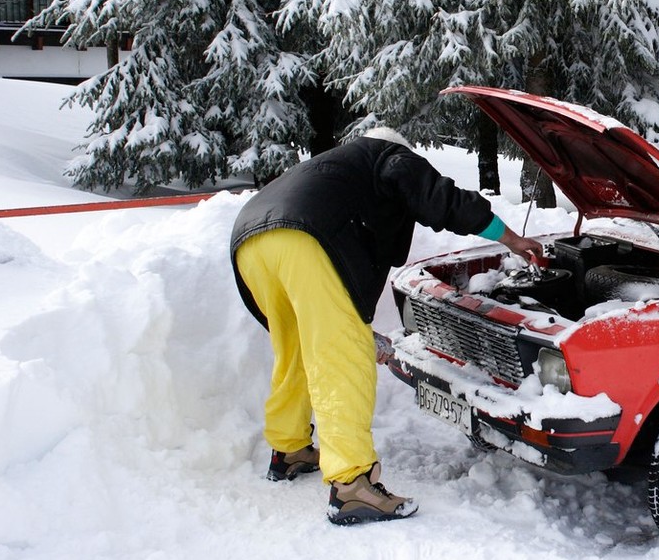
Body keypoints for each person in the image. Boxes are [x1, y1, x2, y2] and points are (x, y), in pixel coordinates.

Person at [230, 126, 543, 525]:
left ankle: (288, 448)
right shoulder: (388, 156)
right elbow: (442, 199)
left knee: (296, 348)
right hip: (305, 238)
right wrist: (509, 237)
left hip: (251, 241)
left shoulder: (335, 167)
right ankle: (353, 485)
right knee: (342, 358)